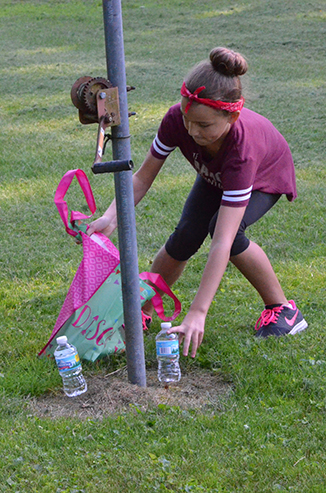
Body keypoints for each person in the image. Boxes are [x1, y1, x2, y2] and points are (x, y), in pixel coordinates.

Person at [87, 46, 307, 358]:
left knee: (223, 229)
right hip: (215, 175)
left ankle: (283, 310)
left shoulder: (242, 150)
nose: (192, 130)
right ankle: (143, 311)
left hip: (263, 177)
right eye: (190, 120)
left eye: (204, 125)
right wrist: (111, 217)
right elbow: (142, 177)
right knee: (187, 234)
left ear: (232, 115)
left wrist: (198, 311)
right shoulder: (179, 118)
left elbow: (222, 242)